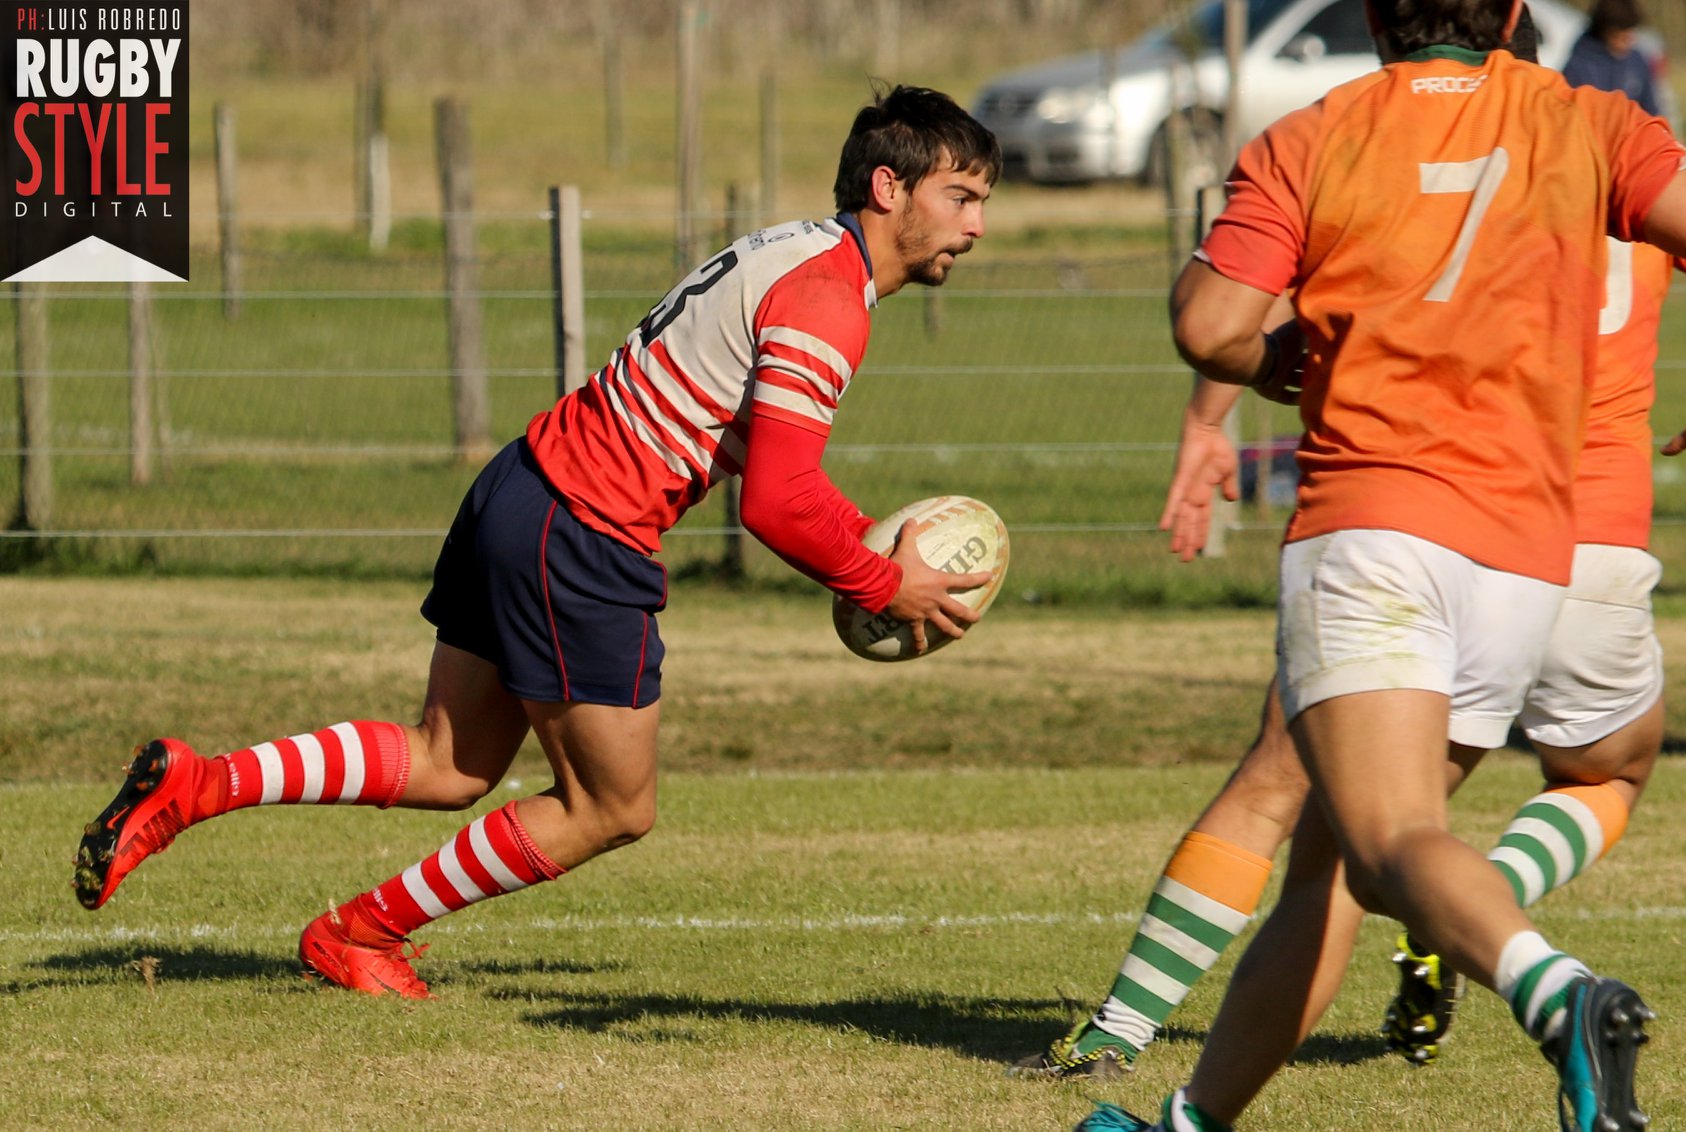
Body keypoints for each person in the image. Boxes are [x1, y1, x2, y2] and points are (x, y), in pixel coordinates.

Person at [71, 84, 1001, 999]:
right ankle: (357, 933)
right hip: (585, 529)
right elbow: (778, 503)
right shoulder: (829, 297)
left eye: (982, 203)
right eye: (959, 197)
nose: (976, 225)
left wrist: (871, 550)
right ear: (888, 188)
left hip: (522, 488)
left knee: (450, 761)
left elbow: (779, 472)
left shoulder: (796, 250)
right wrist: (885, 581)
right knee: (612, 806)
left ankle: (198, 785)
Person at [1069, 0, 1686, 1129]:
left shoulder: (1317, 130)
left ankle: (1561, 994)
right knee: (1337, 864)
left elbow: (1209, 326)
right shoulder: (1595, 122)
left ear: (1375, 18)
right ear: (1511, 15)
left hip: (1379, 528)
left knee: (1384, 841)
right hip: (1530, 550)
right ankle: (1191, 1118)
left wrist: (1271, 363)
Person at [1562, 0, 1662, 118]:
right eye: (1621, 37)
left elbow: (1650, 110)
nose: (1628, 41)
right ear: (1604, 31)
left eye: (1630, 35)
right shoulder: (1577, 66)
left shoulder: (1637, 61)